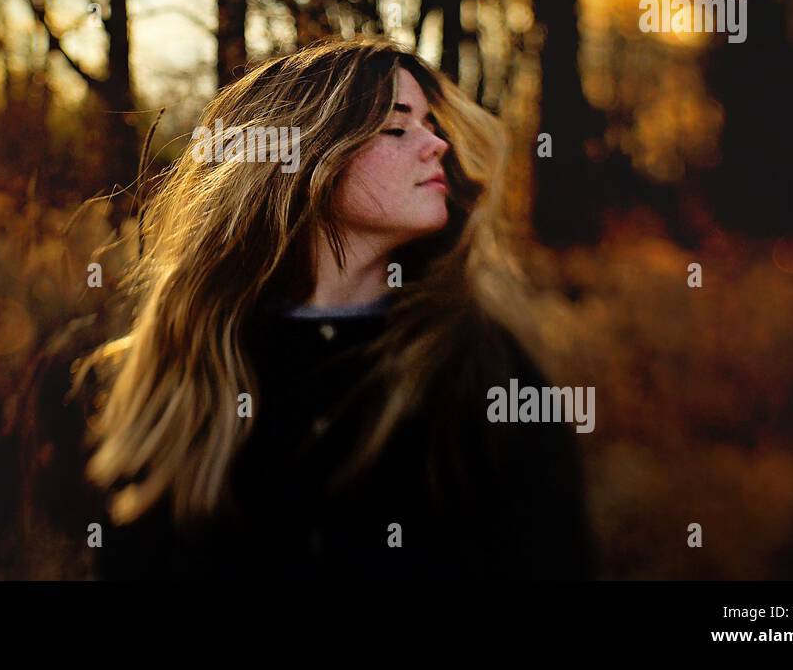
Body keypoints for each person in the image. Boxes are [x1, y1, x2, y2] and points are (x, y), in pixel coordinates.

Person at [70, 38, 596, 580]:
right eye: (396, 127)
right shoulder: (199, 360)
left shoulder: (483, 366)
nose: (436, 143)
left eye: (431, 123)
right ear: (304, 160)